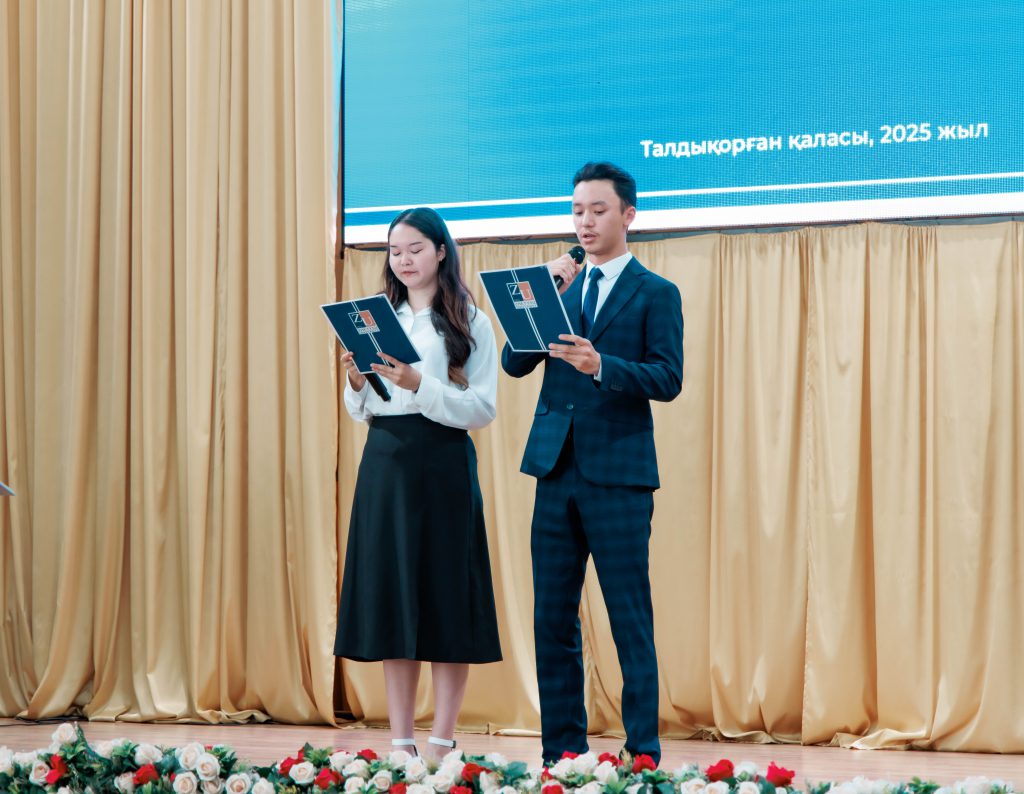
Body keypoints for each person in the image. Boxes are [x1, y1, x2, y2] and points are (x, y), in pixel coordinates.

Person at [501, 162, 683, 766]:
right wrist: (540, 294)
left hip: (620, 475)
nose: (585, 221)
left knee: (629, 616)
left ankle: (642, 753)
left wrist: (601, 365)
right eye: (577, 210)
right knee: (552, 618)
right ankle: (562, 755)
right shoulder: (559, 287)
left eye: (598, 210)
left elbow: (668, 377)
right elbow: (513, 364)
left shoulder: (656, 293)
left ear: (628, 215)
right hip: (555, 470)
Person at [335, 207, 502, 761]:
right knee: (396, 598)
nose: (403, 260)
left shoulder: (471, 320)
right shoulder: (376, 317)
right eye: (394, 251)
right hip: (386, 461)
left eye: (415, 249)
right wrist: (356, 381)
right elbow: (363, 410)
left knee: (447, 598)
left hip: (443, 461)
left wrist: (419, 382)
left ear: (440, 251)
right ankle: (401, 741)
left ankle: (442, 740)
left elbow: (481, 409)